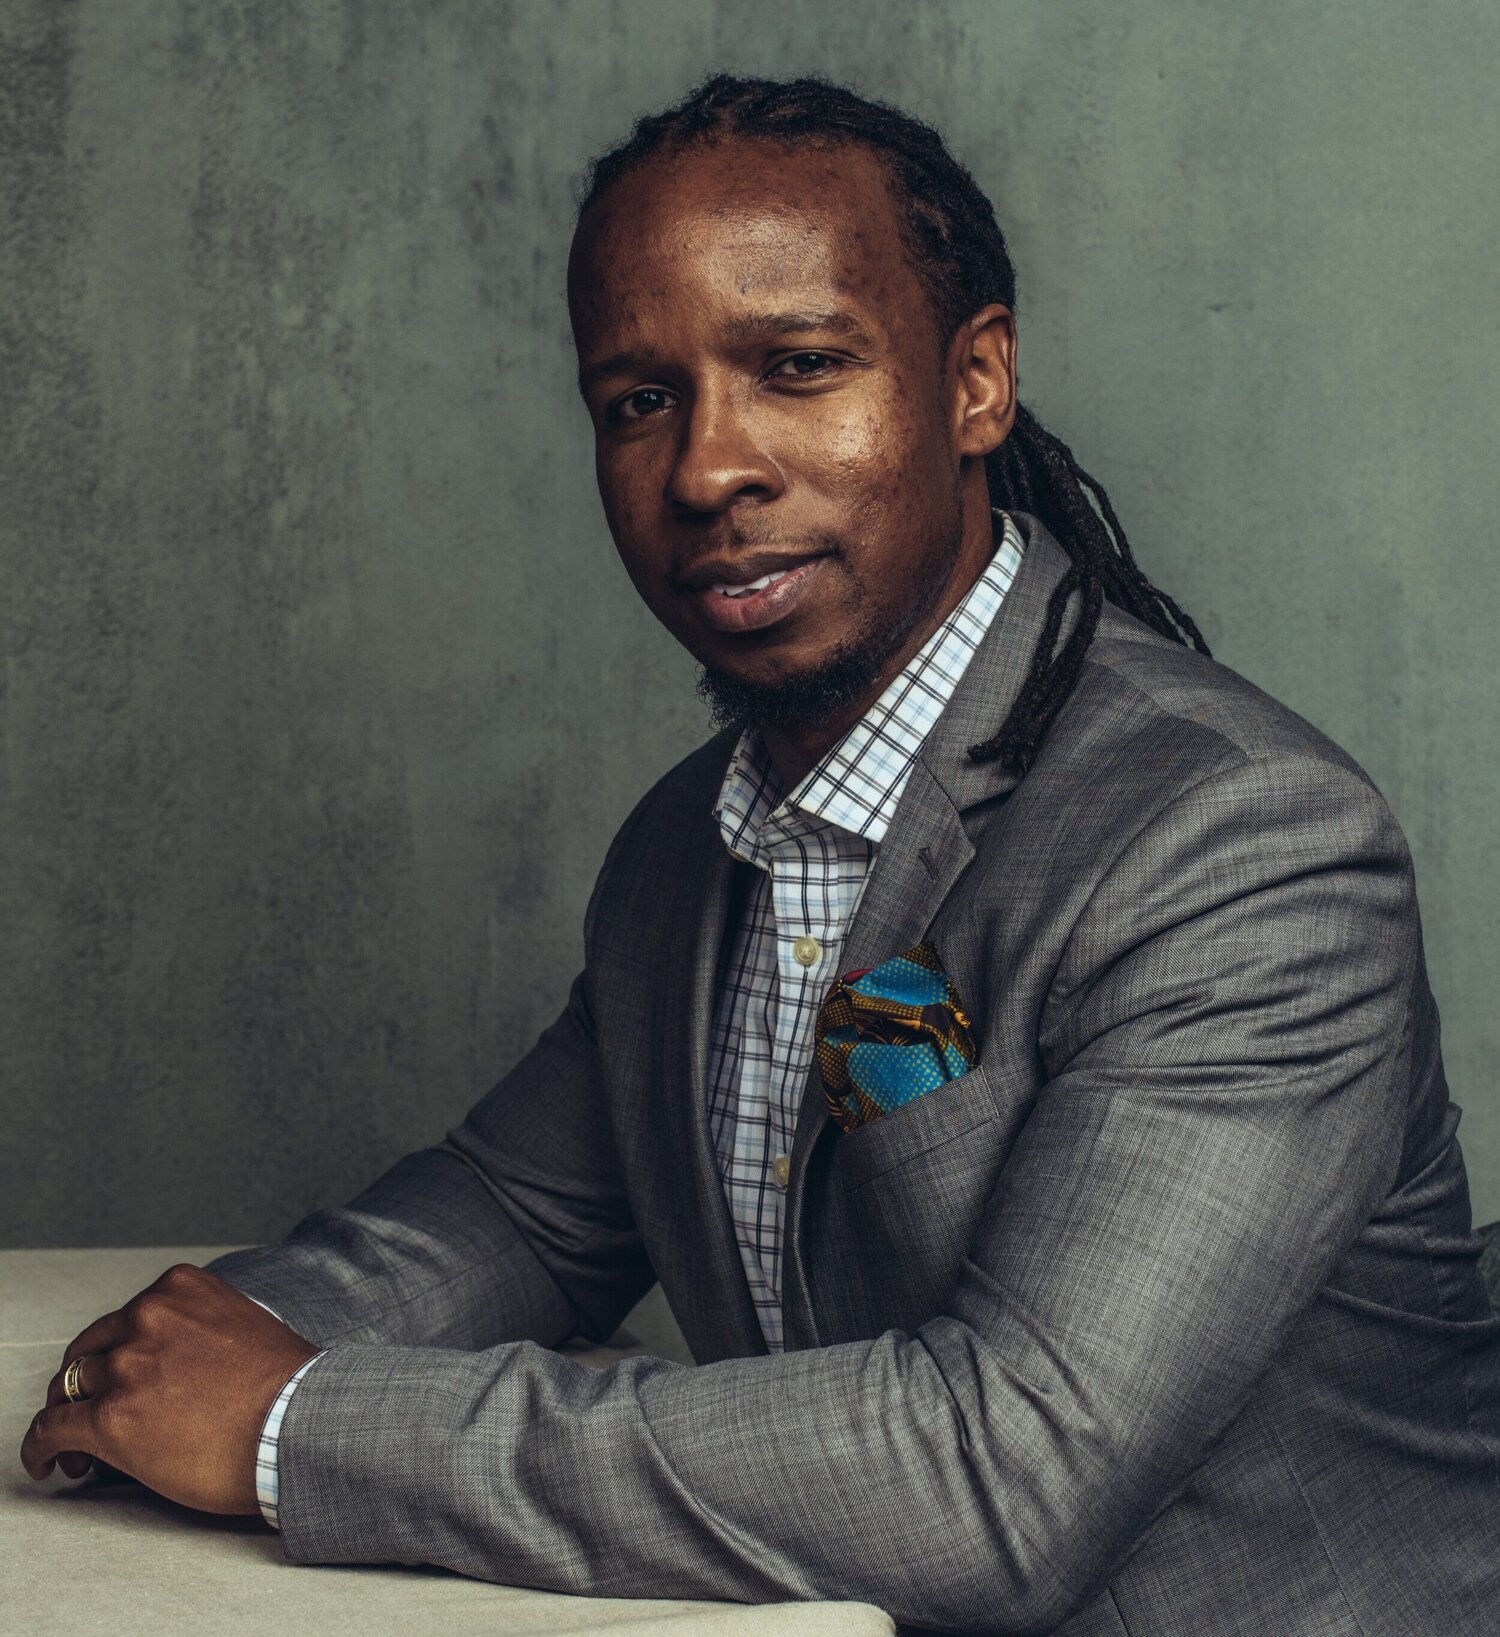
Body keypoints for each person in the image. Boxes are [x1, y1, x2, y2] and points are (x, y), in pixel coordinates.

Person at [22, 73, 1500, 1636]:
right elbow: (522, 1216)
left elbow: (996, 1475)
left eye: (797, 367)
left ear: (975, 382)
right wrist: (193, 1353)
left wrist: (286, 1429)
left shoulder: (1239, 844)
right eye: (639, 400)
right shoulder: (687, 846)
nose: (707, 469)